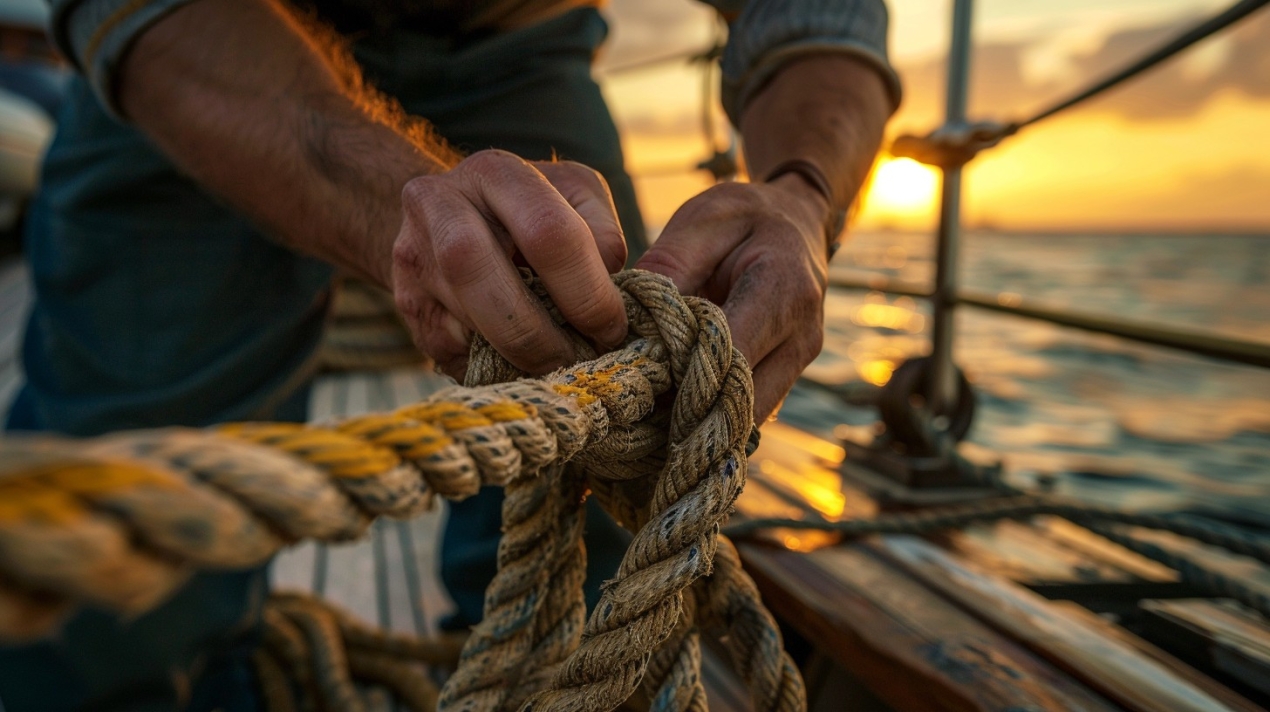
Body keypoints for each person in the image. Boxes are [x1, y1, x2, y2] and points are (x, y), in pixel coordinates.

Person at [0, 0, 899, 708]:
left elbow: (817, 12)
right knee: (120, 477)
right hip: (210, 35)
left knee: (602, 464)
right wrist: (402, 212)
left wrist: (802, 195)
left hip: (517, 44)